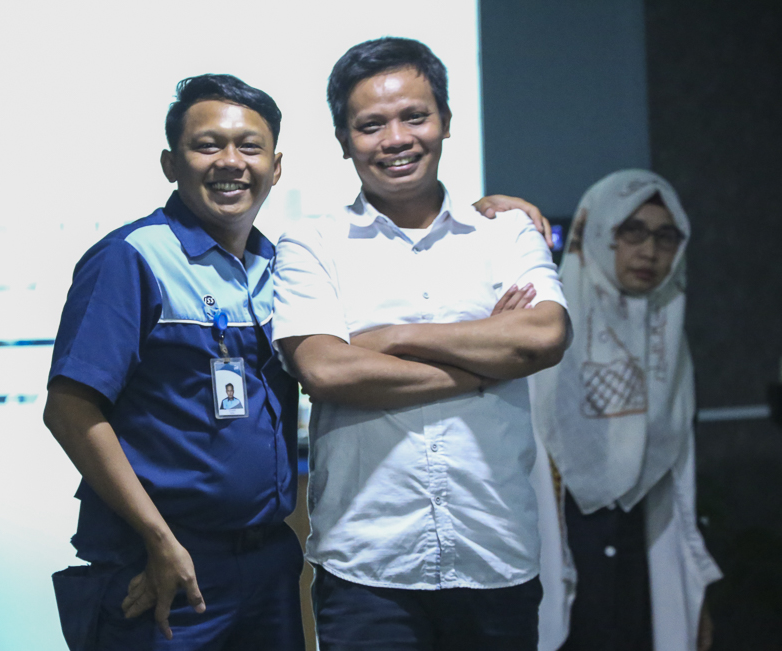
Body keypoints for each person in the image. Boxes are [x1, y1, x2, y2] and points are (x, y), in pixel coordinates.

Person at [272, 37, 570, 651]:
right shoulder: (311, 243)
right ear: (343, 139)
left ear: (447, 121)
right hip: (368, 566)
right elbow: (327, 371)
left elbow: (544, 334)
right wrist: (484, 363)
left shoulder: (505, 231)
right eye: (371, 125)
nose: (396, 139)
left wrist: (394, 338)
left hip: (495, 553)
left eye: (415, 116)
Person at [43, 74, 305, 651]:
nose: (230, 162)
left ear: (276, 166)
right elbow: (68, 409)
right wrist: (159, 539)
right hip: (165, 560)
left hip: (268, 559)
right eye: (207, 145)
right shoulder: (132, 257)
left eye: (250, 147)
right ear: (170, 164)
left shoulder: (279, 266)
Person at [524, 170, 722, 651]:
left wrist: (693, 593)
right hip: (560, 557)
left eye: (666, 236)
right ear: (596, 231)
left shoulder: (670, 344)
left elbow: (680, 483)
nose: (649, 251)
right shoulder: (539, 330)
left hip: (642, 567)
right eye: (632, 231)